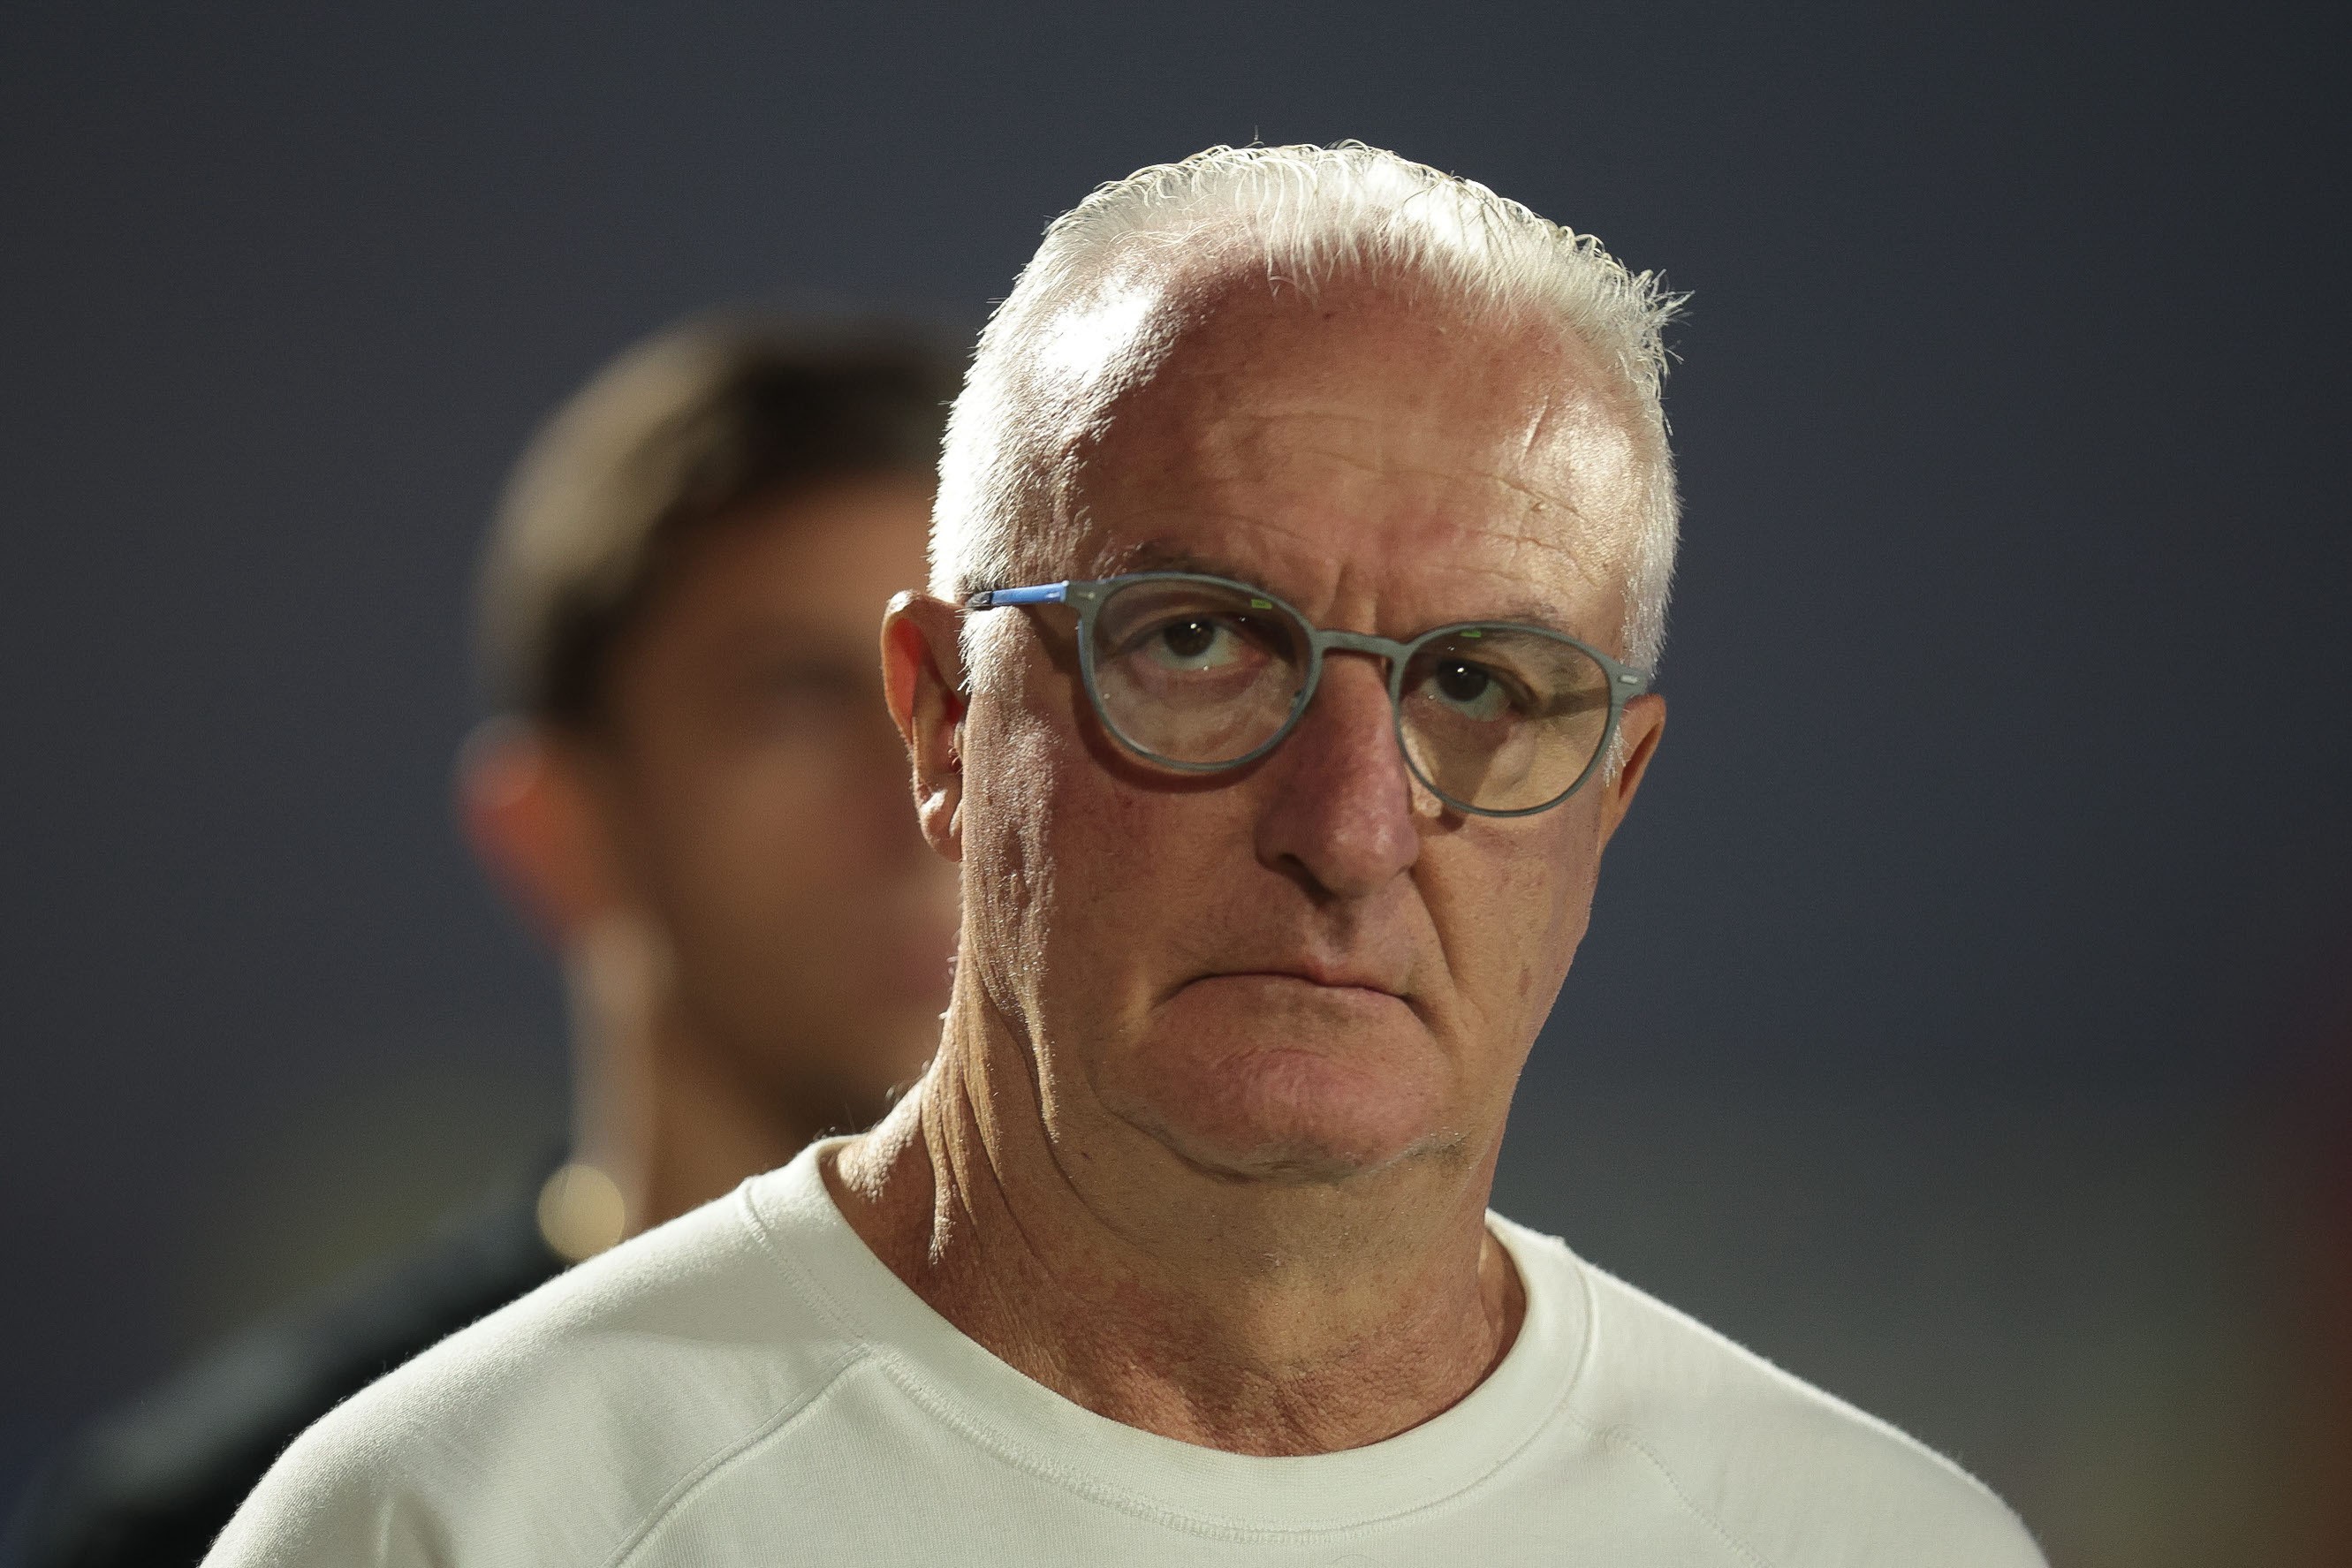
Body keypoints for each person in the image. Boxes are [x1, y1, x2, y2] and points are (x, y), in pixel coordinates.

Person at [203, 144, 2047, 1565]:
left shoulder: (1870, 1546)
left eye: (1480, 684)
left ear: (1611, 793)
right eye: (1201, 642)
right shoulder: (464, 1524)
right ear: (944, 720)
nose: (1347, 829)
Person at [4, 315, 962, 1567]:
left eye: (973, 693)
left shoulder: (1206, 1453)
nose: (923, 802)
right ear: (560, 831)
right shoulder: (230, 1523)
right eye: (792, 701)